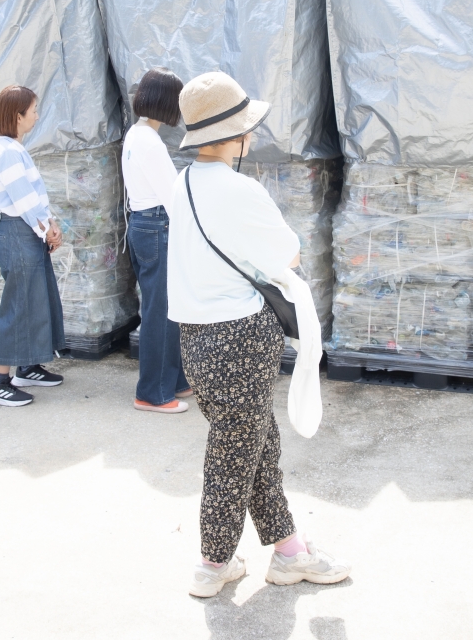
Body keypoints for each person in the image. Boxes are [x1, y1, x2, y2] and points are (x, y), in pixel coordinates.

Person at [166, 72, 351, 597]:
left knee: (254, 443)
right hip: (240, 337)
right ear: (233, 135)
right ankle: (212, 561)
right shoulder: (240, 189)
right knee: (235, 449)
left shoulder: (179, 184)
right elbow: (286, 254)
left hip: (196, 339)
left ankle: (290, 551)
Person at [0, 85, 66, 407]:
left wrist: (50, 225)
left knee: (36, 301)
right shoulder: (7, 152)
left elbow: (35, 199)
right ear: (18, 116)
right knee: (18, 307)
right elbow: (24, 199)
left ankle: (27, 367)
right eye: (33, 110)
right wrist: (46, 229)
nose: (37, 115)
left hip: (26, 231)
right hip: (19, 233)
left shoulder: (13, 149)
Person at [122, 68, 194, 414]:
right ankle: (152, 393)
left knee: (161, 307)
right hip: (157, 226)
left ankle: (174, 380)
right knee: (160, 312)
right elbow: (173, 197)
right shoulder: (150, 142)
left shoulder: (136, 135)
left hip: (142, 223)